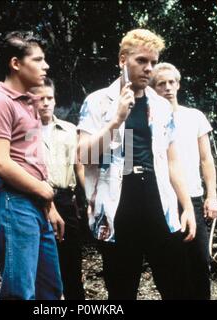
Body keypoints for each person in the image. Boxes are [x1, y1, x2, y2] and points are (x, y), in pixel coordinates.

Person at [77, 29, 196, 300]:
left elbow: (173, 161)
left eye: (153, 62)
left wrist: (186, 207)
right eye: (142, 61)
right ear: (122, 60)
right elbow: (84, 157)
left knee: (178, 286)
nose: (149, 68)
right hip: (119, 202)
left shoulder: (162, 106)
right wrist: (116, 120)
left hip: (157, 198)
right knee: (121, 290)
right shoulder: (97, 102)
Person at [0, 31, 64, 300]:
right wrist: (43, 191)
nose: (45, 65)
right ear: (15, 63)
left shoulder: (29, 103)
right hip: (11, 201)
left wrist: (49, 206)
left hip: (35, 204)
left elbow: (29, 159)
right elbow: (0, 163)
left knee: (50, 291)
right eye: (38, 60)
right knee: (19, 293)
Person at [150, 62, 217, 299]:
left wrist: (212, 196)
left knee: (199, 261)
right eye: (161, 84)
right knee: (169, 266)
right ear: (153, 87)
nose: (168, 88)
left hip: (193, 197)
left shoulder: (194, 117)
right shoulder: (149, 121)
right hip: (161, 201)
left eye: (171, 82)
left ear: (178, 84)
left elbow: (207, 160)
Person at [30, 78, 86, 300]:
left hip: (65, 200)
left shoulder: (70, 130)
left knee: (71, 266)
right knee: (40, 268)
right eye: (40, 98)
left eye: (49, 98)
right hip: (34, 199)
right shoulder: (24, 132)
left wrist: (90, 197)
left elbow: (81, 166)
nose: (45, 103)